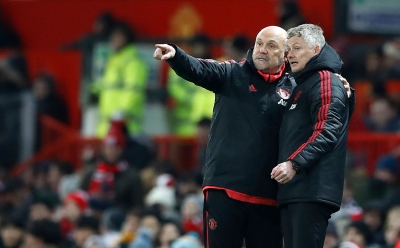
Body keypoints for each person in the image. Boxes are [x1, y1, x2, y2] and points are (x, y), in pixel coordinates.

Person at [154, 26, 293, 248]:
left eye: (271, 45)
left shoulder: (294, 87)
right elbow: (200, 68)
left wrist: (344, 92)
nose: (262, 50)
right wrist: (177, 57)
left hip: (268, 195)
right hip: (225, 189)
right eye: (259, 43)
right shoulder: (232, 73)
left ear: (286, 54)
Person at [271, 24, 353, 248]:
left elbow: (328, 130)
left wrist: (294, 164)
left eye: (297, 48)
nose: (290, 54)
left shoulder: (324, 78)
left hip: (311, 188)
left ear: (316, 49)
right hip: (296, 189)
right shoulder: (303, 83)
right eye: (288, 49)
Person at [94, 21, 148, 137]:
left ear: (124, 38)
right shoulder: (113, 61)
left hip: (125, 127)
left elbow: (134, 91)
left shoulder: (133, 62)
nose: (112, 40)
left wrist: (122, 113)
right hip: (107, 127)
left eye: (116, 36)